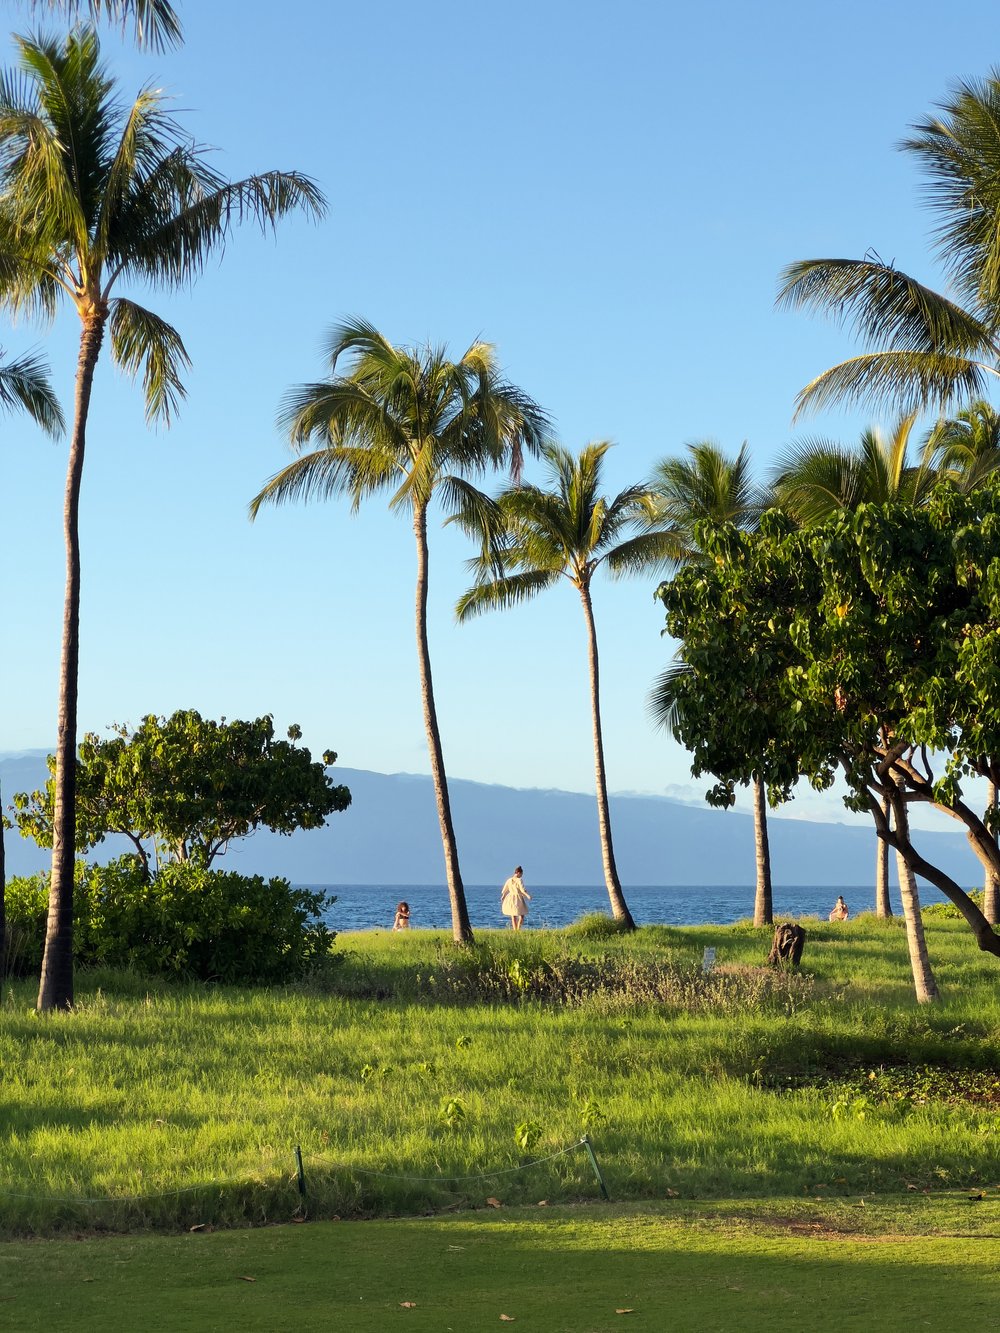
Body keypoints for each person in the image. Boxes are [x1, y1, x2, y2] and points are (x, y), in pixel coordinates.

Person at [500, 866, 531, 931]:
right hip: (518, 898)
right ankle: (518, 929)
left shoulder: (509, 880)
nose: (521, 876)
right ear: (519, 873)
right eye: (521, 874)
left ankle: (515, 930)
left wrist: (503, 896)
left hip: (510, 898)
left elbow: (505, 890)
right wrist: (527, 895)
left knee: (513, 915)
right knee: (521, 915)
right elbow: (522, 890)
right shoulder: (519, 880)